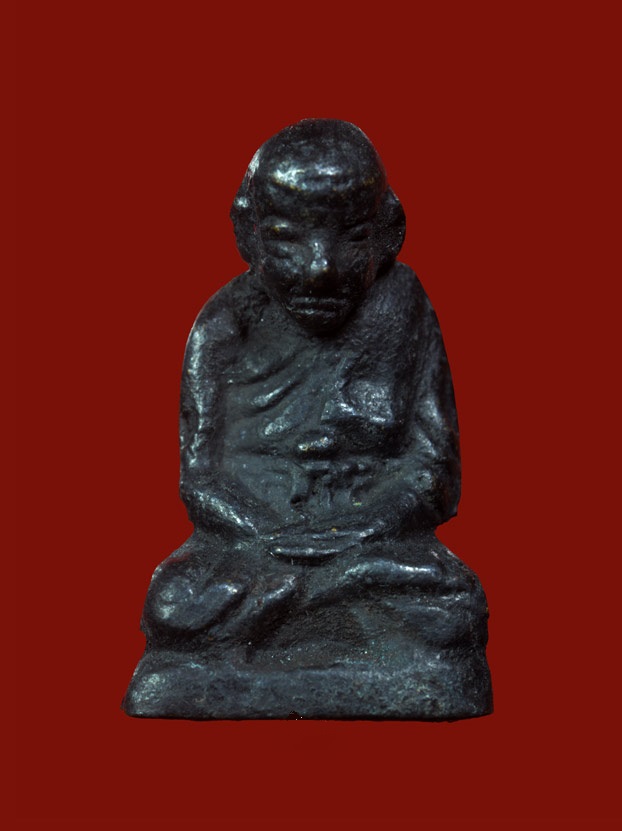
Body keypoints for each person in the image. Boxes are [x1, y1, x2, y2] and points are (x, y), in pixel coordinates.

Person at [124, 120, 491, 719]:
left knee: (451, 603)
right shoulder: (224, 327)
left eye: (352, 237)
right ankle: (316, 611)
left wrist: (359, 531)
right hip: (254, 547)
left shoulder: (403, 307)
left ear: (390, 232)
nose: (320, 268)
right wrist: (269, 535)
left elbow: (434, 470)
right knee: (174, 602)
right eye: (287, 239)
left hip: (373, 545)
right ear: (248, 232)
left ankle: (296, 618)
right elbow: (200, 478)